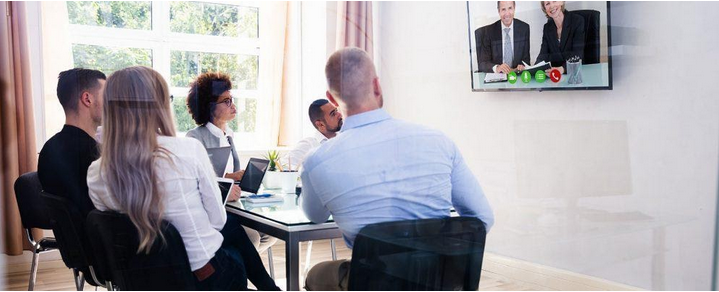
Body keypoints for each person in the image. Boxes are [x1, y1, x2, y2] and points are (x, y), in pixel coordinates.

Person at [300, 48, 495, 291]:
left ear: (332, 99)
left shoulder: (316, 162)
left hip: (373, 283)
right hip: (436, 280)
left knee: (314, 275)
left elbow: (315, 216)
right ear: (377, 86)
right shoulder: (438, 141)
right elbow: (482, 218)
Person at [86, 66, 278, 290]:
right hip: (202, 279)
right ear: (160, 105)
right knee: (233, 245)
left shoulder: (95, 173)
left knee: (233, 237)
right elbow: (217, 220)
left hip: (144, 282)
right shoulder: (187, 149)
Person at [38, 68, 106, 218]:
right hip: (101, 239)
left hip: (72, 240)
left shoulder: (48, 149)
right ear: (87, 99)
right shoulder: (96, 155)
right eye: (106, 96)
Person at [286, 99, 343, 170]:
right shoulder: (309, 145)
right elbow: (284, 165)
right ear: (320, 124)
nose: (340, 114)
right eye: (333, 114)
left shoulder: (345, 138)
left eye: (336, 111)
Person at [476, 1, 530, 74]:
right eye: (503, 9)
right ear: (499, 11)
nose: (507, 13)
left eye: (510, 8)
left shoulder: (524, 28)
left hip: (517, 76)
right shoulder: (489, 32)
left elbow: (526, 60)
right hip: (498, 77)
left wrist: (523, 66)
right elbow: (483, 63)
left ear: (514, 8)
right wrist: (497, 68)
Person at [535, 1, 585, 74]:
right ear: (545, 9)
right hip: (555, 77)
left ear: (561, 2)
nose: (551, 6)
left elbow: (577, 54)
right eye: (547, 4)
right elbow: (543, 54)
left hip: (576, 73)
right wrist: (533, 68)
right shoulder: (547, 28)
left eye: (554, 1)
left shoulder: (577, 21)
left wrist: (561, 69)